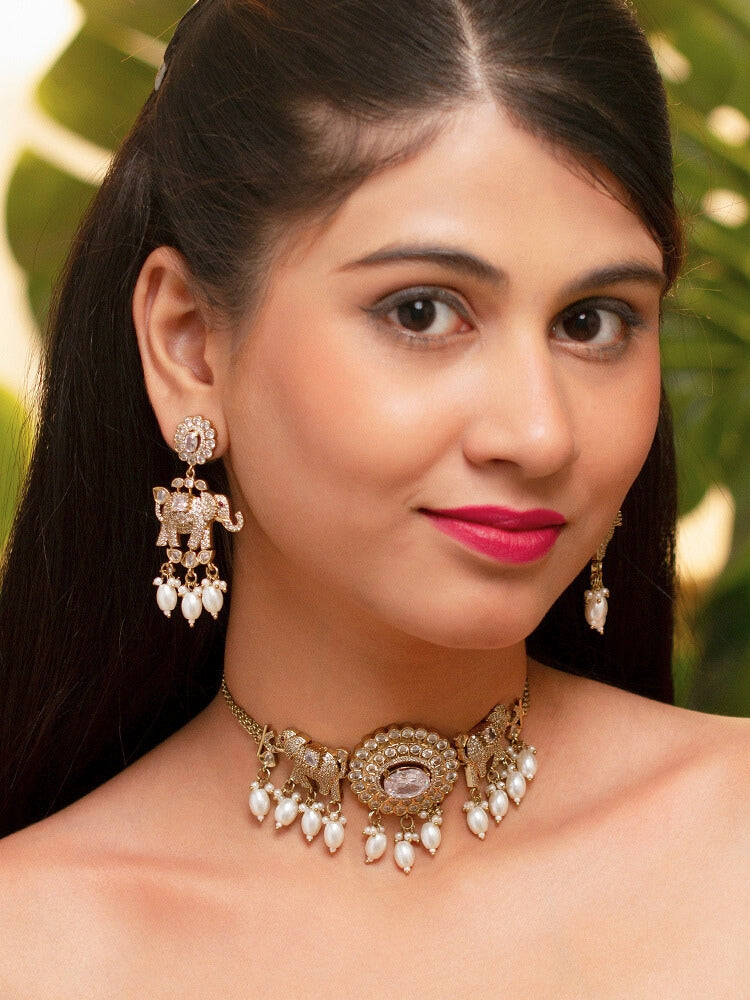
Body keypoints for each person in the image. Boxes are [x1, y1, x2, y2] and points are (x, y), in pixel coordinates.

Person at [0, 0, 747, 995]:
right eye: (423, 310)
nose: (539, 432)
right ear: (189, 343)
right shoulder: (34, 942)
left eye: (593, 321)